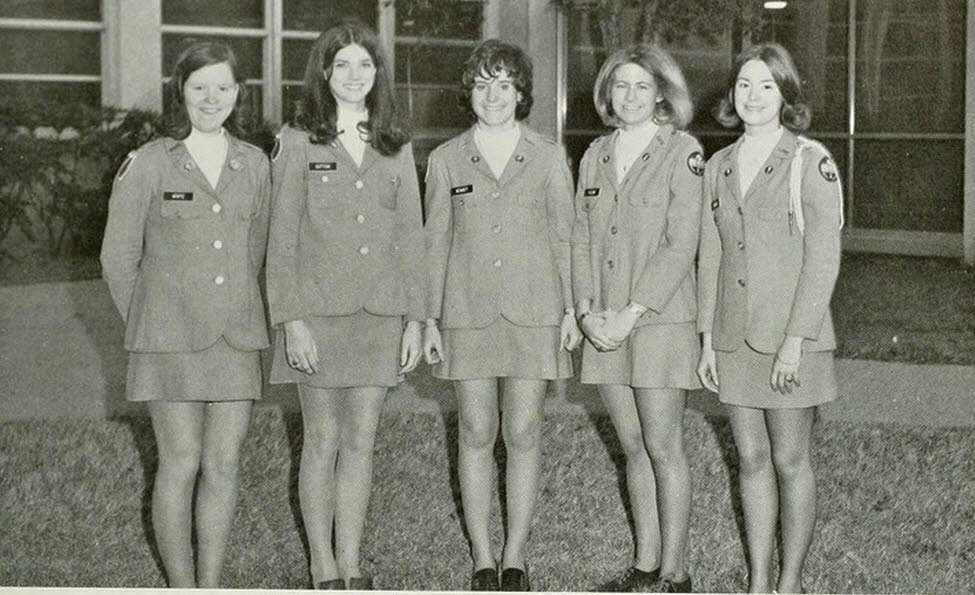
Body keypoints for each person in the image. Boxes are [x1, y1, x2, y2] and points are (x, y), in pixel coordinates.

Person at [100, 42, 269, 588]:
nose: (211, 98)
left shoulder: (256, 163)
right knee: (181, 463)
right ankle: (180, 585)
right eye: (199, 87)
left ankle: (211, 584)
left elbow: (257, 252)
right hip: (167, 341)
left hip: (234, 338)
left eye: (222, 86)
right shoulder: (150, 161)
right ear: (181, 92)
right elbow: (117, 258)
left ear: (238, 93)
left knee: (223, 464)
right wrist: (149, 322)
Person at [265, 19, 423, 591]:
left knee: (362, 439)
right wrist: (292, 320)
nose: (355, 76)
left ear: (378, 73)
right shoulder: (298, 139)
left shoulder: (396, 143)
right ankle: (321, 565)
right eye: (343, 65)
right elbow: (279, 239)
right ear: (324, 74)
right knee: (322, 438)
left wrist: (415, 318)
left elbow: (412, 236)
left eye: (365, 64)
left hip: (380, 314)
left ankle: (351, 564)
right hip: (318, 317)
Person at [423, 39, 581, 592]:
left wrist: (570, 309)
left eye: (505, 86)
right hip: (466, 313)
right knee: (474, 428)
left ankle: (515, 555)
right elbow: (434, 244)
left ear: (521, 94)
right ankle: (482, 557)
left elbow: (566, 237)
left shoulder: (548, 155)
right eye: (483, 85)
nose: (493, 96)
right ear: (469, 92)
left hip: (534, 311)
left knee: (523, 430)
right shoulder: (444, 160)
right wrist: (427, 319)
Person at [697, 42, 843, 594]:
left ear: (786, 95)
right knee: (751, 459)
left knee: (789, 458)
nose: (753, 96)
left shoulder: (810, 160)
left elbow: (823, 258)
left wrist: (794, 341)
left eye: (766, 85)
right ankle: (759, 580)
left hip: (791, 339)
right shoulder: (718, 166)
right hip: (735, 339)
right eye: (744, 85)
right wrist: (708, 340)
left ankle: (790, 582)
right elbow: (710, 257)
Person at [570, 44, 702, 593]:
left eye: (642, 87)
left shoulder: (683, 151)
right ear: (608, 94)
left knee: (662, 444)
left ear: (662, 95)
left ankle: (674, 571)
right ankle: (645, 563)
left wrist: (631, 312)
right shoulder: (595, 154)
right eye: (620, 86)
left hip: (658, 320)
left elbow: (681, 242)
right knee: (631, 445)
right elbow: (578, 238)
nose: (630, 96)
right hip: (604, 325)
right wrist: (584, 313)